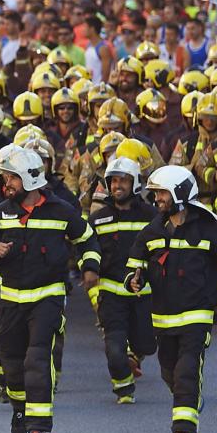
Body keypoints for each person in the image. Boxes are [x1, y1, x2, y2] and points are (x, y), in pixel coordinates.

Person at [0, 146, 99, 433]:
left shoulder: (61, 211)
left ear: (28, 178)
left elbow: (87, 238)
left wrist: (90, 267)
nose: (6, 184)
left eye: (10, 178)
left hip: (49, 297)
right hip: (11, 298)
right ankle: (19, 409)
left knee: (38, 357)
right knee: (11, 364)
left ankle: (38, 427)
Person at [123, 166, 217, 433]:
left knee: (188, 367)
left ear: (180, 192)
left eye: (163, 193)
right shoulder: (152, 230)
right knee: (170, 371)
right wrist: (134, 280)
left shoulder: (208, 229)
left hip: (197, 315)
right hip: (163, 318)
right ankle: (188, 398)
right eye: (156, 194)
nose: (158, 200)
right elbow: (133, 263)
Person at [87, 156, 157, 403]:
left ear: (135, 183)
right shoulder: (98, 219)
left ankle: (135, 356)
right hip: (112, 295)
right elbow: (87, 248)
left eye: (123, 181)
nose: (118, 186)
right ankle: (123, 386)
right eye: (113, 180)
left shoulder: (153, 216)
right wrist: (89, 269)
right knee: (115, 348)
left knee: (146, 343)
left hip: (144, 294)